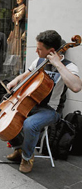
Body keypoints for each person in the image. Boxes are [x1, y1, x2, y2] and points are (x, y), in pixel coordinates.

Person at [6, 30, 82, 173]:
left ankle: (27, 158)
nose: (36, 51)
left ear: (51, 51)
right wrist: (15, 81)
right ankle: (19, 148)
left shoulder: (69, 66)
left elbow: (76, 86)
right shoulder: (40, 61)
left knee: (29, 124)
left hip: (51, 110)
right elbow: (27, 73)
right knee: (8, 117)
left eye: (39, 49)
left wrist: (58, 64)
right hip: (32, 103)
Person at [3, 0, 26, 75]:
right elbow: (13, 20)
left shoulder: (23, 8)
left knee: (17, 49)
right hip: (14, 29)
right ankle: (12, 69)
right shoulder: (16, 9)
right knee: (12, 48)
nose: (18, 0)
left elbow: (18, 17)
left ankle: (17, 69)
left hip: (19, 30)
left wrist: (14, 13)